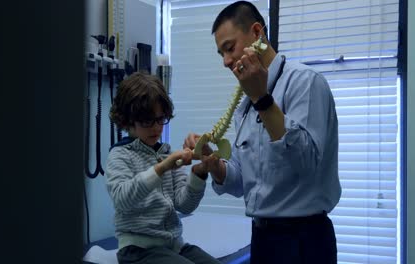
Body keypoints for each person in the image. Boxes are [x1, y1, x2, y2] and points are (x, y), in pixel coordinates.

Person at [184, 1, 342, 263]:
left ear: (257, 33)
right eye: (220, 54)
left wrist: (262, 99)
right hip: (263, 238)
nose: (225, 62)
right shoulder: (244, 104)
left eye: (229, 48)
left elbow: (307, 163)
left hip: (304, 239)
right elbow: (244, 181)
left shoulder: (304, 83)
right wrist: (215, 165)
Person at [106, 71, 221, 264]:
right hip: (137, 250)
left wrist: (199, 174)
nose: (157, 128)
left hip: (173, 246)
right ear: (128, 120)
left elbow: (184, 205)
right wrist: (162, 168)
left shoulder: (166, 153)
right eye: (148, 121)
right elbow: (122, 199)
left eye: (161, 119)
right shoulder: (120, 155)